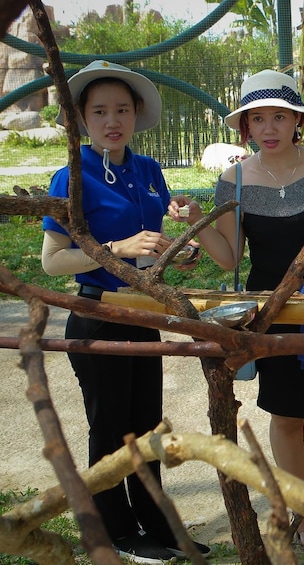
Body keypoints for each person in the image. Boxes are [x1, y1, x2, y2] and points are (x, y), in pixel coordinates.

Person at [169, 69, 304, 555]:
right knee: (285, 411)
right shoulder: (232, 179)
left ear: (297, 120)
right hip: (267, 309)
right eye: (258, 119)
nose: (269, 127)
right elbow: (230, 257)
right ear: (245, 127)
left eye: (279, 116)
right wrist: (197, 222)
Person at [41, 60, 209, 562]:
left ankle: (157, 523)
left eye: (121, 109)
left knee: (146, 421)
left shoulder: (148, 170)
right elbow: (53, 262)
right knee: (110, 424)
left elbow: (150, 251)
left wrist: (181, 245)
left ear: (136, 114)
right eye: (98, 111)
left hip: (143, 312)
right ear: (81, 120)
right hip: (98, 315)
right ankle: (116, 529)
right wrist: (117, 245)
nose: (111, 120)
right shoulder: (70, 177)